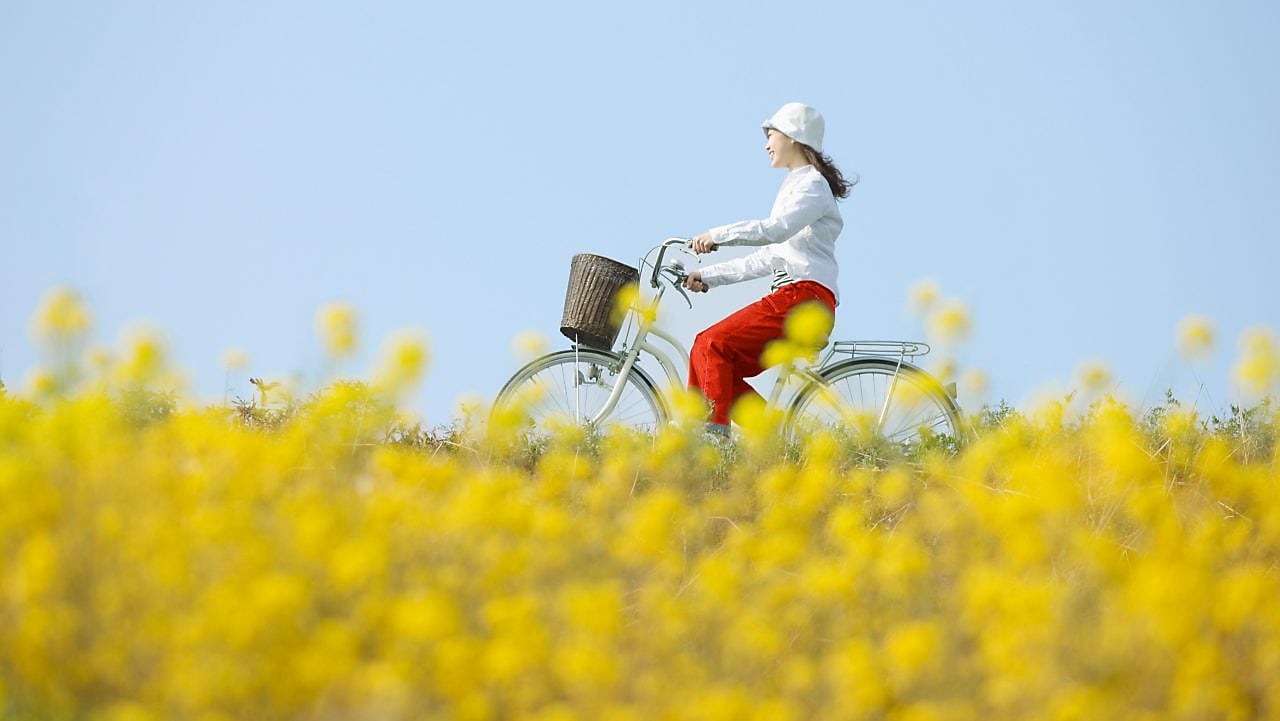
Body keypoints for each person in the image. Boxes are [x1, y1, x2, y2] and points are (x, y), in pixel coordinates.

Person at [683, 102, 854, 433]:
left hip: (804, 297)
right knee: (715, 363)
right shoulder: (795, 186)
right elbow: (767, 256)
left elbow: (774, 230)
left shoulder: (812, 186)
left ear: (793, 136)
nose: (766, 144)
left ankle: (711, 442)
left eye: (771, 134)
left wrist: (716, 235)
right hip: (798, 297)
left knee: (710, 345)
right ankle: (771, 438)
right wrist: (707, 276)